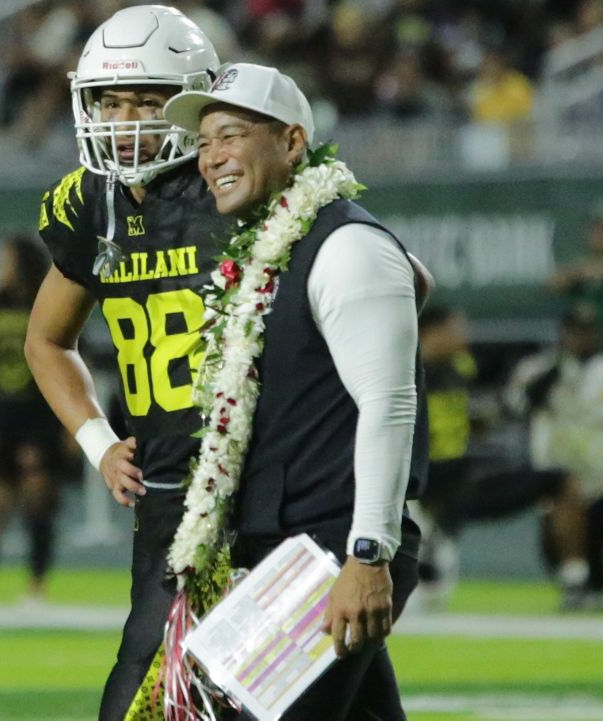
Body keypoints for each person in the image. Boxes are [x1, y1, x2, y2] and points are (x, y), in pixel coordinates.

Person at [162, 61, 426, 720]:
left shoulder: (344, 245)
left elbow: (389, 404)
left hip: (333, 552)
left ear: (291, 142)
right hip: (287, 554)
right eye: (203, 143)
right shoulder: (278, 255)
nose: (211, 157)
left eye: (230, 134)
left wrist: (367, 554)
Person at [22, 8, 227, 720]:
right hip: (168, 498)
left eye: (147, 100)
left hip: (267, 493)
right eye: (112, 101)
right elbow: (46, 341)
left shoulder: (234, 189)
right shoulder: (91, 203)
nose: (126, 119)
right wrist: (99, 442)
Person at [410, 306, 588, 613]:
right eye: (455, 330)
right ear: (431, 333)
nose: (462, 337)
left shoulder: (459, 367)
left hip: (461, 479)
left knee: (559, 480)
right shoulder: (402, 372)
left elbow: (489, 411)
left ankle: (575, 580)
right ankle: (424, 557)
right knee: (427, 584)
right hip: (419, 484)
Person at [506, 305, 603, 611]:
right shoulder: (538, 368)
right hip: (557, 474)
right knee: (557, 538)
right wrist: (558, 367)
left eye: (588, 332)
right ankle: (575, 582)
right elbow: (519, 405)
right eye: (575, 332)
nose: (582, 339)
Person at [0, 234, 65, 604]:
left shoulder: (49, 304)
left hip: (38, 415)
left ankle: (36, 585)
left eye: (5, 261)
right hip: (0, 417)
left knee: (38, 496)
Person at [549, 198, 603, 356]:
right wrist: (581, 273)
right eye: (597, 228)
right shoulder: (582, 268)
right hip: (585, 356)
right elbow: (553, 283)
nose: (602, 234)